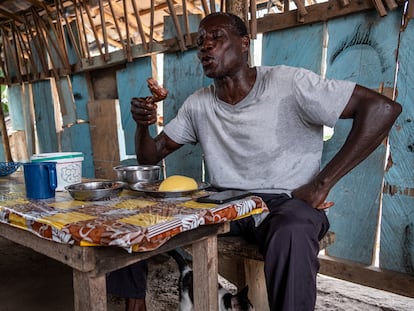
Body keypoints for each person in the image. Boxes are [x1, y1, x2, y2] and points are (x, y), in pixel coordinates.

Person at [120, 12, 402, 311]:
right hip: (223, 204)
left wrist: (322, 184)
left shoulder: (288, 83)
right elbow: (150, 156)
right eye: (200, 42)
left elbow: (382, 108)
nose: (205, 47)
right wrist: (142, 125)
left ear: (244, 44)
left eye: (216, 38)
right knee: (130, 210)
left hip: (285, 202)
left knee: (293, 230)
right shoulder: (198, 104)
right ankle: (134, 303)